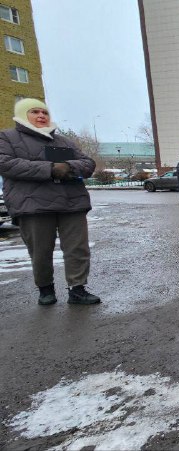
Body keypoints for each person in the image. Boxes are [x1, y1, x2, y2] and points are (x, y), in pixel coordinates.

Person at [0, 98, 100, 305]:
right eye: (34, 112)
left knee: (77, 248)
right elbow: (6, 163)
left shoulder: (64, 141)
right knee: (40, 250)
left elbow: (87, 163)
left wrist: (69, 167)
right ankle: (45, 289)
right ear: (22, 115)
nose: (41, 116)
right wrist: (50, 168)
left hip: (71, 202)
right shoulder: (7, 137)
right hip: (33, 204)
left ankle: (78, 288)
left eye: (44, 112)